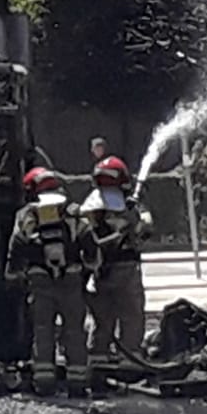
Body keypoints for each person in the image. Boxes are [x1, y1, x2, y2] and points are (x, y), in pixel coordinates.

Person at [7, 167, 101, 398]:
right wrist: (86, 274)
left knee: (42, 330)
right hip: (71, 277)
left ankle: (44, 383)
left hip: (39, 279)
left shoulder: (27, 214)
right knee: (74, 331)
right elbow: (91, 246)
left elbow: (17, 244)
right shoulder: (73, 212)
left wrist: (13, 275)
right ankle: (78, 384)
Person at [82, 156, 153, 374]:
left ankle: (98, 354)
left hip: (101, 272)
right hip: (126, 269)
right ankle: (129, 355)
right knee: (131, 313)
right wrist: (134, 225)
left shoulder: (93, 205)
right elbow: (147, 227)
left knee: (103, 315)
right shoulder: (130, 206)